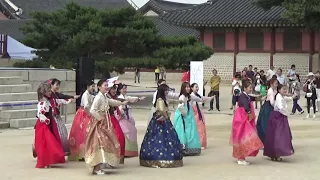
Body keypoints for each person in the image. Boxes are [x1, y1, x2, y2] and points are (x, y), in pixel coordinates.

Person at [85, 79, 128, 175]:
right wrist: (100, 119)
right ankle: (97, 167)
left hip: (104, 123)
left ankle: (102, 164)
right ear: (99, 87)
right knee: (99, 144)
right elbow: (92, 110)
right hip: (99, 125)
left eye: (107, 85)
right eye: (105, 85)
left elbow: (111, 101)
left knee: (106, 143)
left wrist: (121, 103)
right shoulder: (98, 97)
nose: (107, 87)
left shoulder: (103, 96)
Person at [140, 84, 183, 168]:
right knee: (158, 137)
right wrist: (166, 115)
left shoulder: (164, 99)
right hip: (160, 120)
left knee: (168, 137)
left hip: (164, 119)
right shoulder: (160, 100)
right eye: (166, 90)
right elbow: (162, 110)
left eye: (167, 90)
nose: (167, 92)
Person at [230, 80, 263, 165]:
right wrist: (249, 113)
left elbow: (251, 98)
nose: (251, 89)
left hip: (244, 118)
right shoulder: (242, 96)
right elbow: (245, 105)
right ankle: (240, 158)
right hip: (242, 118)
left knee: (244, 137)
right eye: (250, 88)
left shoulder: (246, 95)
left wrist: (259, 97)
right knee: (242, 137)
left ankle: (242, 156)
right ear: (245, 88)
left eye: (251, 88)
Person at [34, 82, 66, 168]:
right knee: (45, 142)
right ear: (43, 92)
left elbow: (56, 103)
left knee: (48, 142)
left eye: (49, 90)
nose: (50, 92)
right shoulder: (42, 102)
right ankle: (44, 160)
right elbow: (39, 114)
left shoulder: (48, 100)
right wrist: (45, 119)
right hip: (42, 125)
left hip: (48, 122)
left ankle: (48, 159)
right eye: (48, 91)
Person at [263, 84, 295, 161]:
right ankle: (276, 153)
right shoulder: (278, 97)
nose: (285, 90)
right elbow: (281, 108)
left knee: (276, 135)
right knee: (278, 136)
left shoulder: (281, 96)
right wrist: (287, 114)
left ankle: (274, 154)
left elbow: (286, 99)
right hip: (278, 117)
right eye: (283, 89)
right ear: (279, 90)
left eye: (285, 89)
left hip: (280, 117)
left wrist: (292, 97)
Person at [68, 80, 95, 161]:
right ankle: (82, 153)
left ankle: (84, 152)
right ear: (88, 87)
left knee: (84, 133)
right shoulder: (85, 95)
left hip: (85, 113)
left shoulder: (89, 94)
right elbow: (86, 106)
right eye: (92, 86)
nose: (93, 88)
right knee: (83, 133)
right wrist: (90, 114)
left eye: (94, 86)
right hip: (84, 114)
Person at [117, 83, 146, 157]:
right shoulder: (118, 98)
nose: (125, 90)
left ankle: (130, 151)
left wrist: (139, 99)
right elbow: (118, 108)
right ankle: (124, 151)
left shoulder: (126, 97)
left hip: (127, 117)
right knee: (125, 132)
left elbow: (131, 99)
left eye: (125, 88)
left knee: (133, 131)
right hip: (122, 118)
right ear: (119, 90)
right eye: (123, 88)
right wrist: (122, 109)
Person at [173, 82, 201, 156]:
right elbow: (180, 106)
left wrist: (206, 99)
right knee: (183, 132)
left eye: (189, 87)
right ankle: (183, 148)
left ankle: (188, 148)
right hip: (183, 117)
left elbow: (198, 98)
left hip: (188, 116)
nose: (188, 88)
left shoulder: (188, 96)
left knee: (189, 131)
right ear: (183, 88)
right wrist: (185, 113)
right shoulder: (182, 96)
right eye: (186, 87)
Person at [48, 78, 75, 155]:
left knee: (62, 132)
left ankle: (60, 149)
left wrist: (72, 97)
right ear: (51, 85)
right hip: (51, 116)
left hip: (56, 115)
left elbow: (63, 96)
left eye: (58, 85)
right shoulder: (49, 94)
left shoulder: (56, 94)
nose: (58, 86)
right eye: (56, 85)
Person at [107, 84, 126, 164]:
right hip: (106, 120)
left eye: (115, 89)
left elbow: (119, 100)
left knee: (120, 137)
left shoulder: (113, 97)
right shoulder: (105, 97)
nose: (114, 90)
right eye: (112, 89)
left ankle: (118, 157)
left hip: (112, 118)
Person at [190, 83, 212, 149]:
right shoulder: (191, 96)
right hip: (194, 113)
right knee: (196, 129)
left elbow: (203, 98)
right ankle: (196, 143)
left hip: (199, 113)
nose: (197, 88)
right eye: (196, 87)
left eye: (198, 87)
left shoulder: (198, 95)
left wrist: (210, 98)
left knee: (201, 128)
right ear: (192, 88)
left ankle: (201, 143)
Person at [256, 78, 278, 145]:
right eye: (275, 84)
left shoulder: (273, 90)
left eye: (277, 83)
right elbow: (272, 102)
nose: (277, 85)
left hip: (268, 107)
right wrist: (278, 107)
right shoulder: (271, 91)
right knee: (265, 125)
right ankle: (266, 141)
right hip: (268, 108)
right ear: (271, 84)